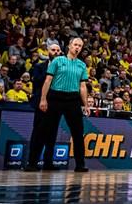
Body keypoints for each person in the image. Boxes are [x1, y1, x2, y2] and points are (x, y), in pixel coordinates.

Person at [33, 37, 90, 173]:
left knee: (78, 133)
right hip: (55, 98)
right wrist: (43, 99)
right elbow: (47, 81)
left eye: (80, 46)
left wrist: (86, 104)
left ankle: (80, 165)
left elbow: (82, 86)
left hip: (73, 100)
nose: (77, 48)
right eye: (75, 44)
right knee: (45, 131)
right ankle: (34, 163)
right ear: (69, 46)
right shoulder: (57, 61)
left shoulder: (82, 65)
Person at [24, 41, 60, 171]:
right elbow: (37, 81)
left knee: (52, 135)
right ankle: (32, 162)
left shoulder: (63, 69)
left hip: (56, 105)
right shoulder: (39, 66)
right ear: (48, 52)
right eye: (53, 50)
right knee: (38, 133)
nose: (55, 52)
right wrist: (51, 72)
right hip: (41, 103)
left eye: (57, 51)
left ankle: (48, 162)